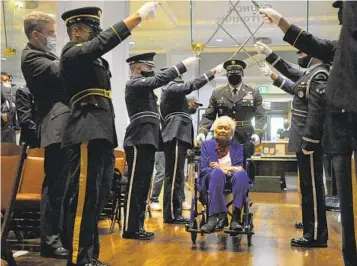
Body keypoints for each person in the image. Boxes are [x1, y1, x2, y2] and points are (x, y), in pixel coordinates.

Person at [59, 4, 158, 265]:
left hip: (101, 131)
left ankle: (90, 256)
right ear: (78, 31)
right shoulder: (71, 52)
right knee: (83, 199)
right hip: (86, 130)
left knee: (97, 199)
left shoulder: (91, 57)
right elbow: (100, 44)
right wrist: (136, 17)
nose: (97, 35)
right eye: (94, 30)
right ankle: (79, 258)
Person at [260, 2, 357, 263]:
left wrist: (311, 140)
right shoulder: (334, 53)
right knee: (346, 207)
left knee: (320, 190)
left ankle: (317, 232)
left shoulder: (323, 70)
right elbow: (299, 69)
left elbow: (315, 107)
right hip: (340, 137)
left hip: (330, 135)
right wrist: (278, 27)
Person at [256, 41, 330, 247]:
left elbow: (317, 112)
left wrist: (310, 140)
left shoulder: (320, 74)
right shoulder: (311, 74)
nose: (300, 55)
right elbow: (293, 84)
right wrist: (271, 62)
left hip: (309, 141)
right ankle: (310, 225)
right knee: (307, 187)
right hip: (303, 140)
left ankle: (315, 234)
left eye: (303, 51)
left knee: (313, 188)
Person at [123, 52, 199, 240]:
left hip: (148, 139)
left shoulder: (144, 89)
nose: (152, 72)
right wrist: (181, 66)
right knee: (135, 186)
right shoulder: (134, 82)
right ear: (139, 68)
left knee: (143, 186)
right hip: (138, 137)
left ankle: (137, 226)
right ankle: (130, 228)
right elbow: (158, 80)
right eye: (149, 68)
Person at [21, 11, 69, 259]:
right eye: (50, 34)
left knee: (64, 186)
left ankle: (61, 236)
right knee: (55, 186)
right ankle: (50, 241)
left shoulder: (45, 53)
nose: (54, 38)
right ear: (35, 34)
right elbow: (62, 71)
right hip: (54, 126)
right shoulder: (31, 57)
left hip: (64, 126)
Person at [159, 63, 225, 224]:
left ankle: (175, 212)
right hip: (175, 135)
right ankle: (172, 215)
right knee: (174, 176)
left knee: (178, 176)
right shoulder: (169, 86)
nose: (180, 80)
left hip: (178, 135)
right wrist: (213, 71)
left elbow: (181, 110)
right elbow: (192, 85)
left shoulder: (172, 91)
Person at [196, 59, 266, 147]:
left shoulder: (253, 92)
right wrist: (202, 132)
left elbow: (261, 116)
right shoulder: (218, 93)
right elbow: (208, 116)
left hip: (246, 138)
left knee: (244, 160)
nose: (234, 77)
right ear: (226, 75)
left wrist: (258, 133)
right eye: (231, 74)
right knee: (222, 161)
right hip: (223, 136)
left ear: (242, 74)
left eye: (237, 74)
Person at [199, 116, 250, 233]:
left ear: (231, 132)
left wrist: (223, 168)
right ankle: (213, 218)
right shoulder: (207, 145)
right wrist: (224, 170)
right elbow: (205, 168)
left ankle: (236, 219)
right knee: (216, 173)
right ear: (215, 130)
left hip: (232, 178)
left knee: (242, 175)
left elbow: (239, 167)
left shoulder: (237, 146)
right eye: (220, 127)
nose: (222, 130)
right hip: (212, 178)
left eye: (226, 128)